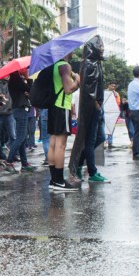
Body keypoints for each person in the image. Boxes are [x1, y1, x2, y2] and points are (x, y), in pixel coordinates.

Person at [68, 35, 109, 183]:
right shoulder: (90, 64)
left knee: (97, 138)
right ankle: (92, 172)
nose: (102, 48)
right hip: (92, 107)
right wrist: (96, 104)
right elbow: (88, 88)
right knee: (90, 140)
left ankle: (79, 166)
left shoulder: (93, 63)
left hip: (95, 106)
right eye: (100, 46)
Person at [48, 52, 81, 191]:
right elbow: (69, 90)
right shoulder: (64, 66)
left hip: (53, 107)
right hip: (62, 107)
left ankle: (54, 180)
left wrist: (72, 74)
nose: (73, 51)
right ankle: (60, 181)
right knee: (60, 145)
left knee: (53, 144)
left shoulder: (55, 66)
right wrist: (78, 81)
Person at [3, 68, 36, 174]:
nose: (25, 70)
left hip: (19, 109)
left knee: (22, 138)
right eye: (24, 69)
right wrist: (27, 77)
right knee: (21, 137)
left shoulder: (14, 79)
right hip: (21, 110)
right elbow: (30, 89)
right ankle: (9, 161)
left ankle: (24, 164)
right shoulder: (16, 79)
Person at [105, 82, 120, 148]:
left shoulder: (116, 94)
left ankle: (110, 142)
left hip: (112, 114)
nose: (113, 87)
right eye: (112, 86)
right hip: (105, 113)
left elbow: (118, 103)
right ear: (108, 85)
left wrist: (115, 96)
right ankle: (104, 142)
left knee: (111, 128)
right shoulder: (104, 92)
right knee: (105, 128)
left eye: (114, 86)